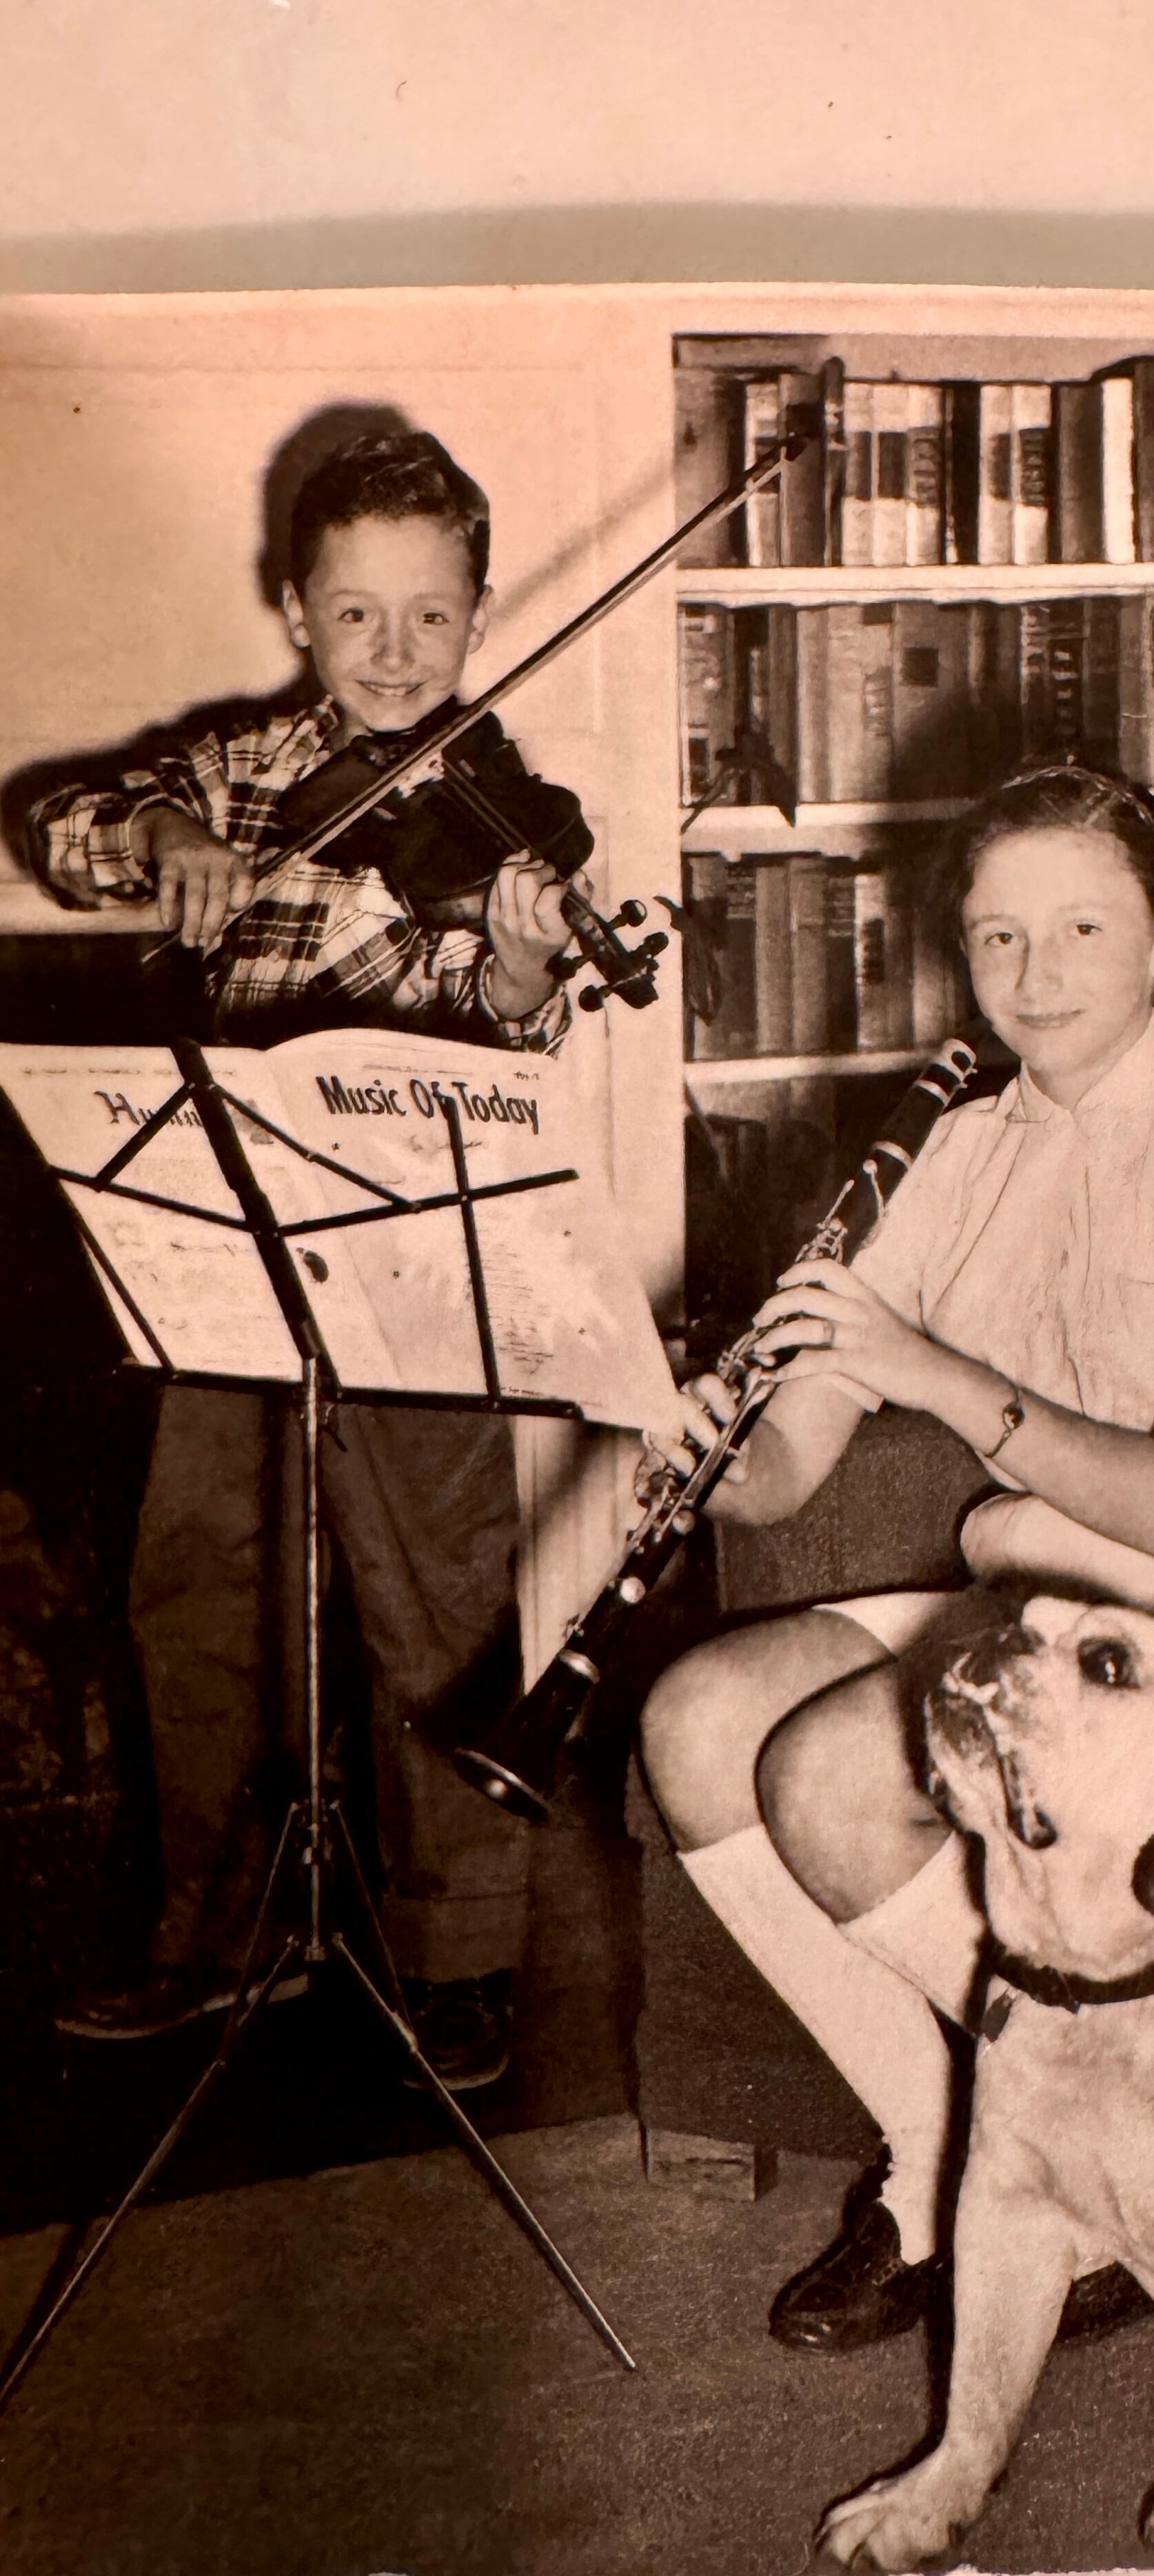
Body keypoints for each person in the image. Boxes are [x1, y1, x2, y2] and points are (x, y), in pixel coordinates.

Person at [640, 764, 1154, 2351]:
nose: (1035, 976)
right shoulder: (952, 1153)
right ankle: (950, 2150)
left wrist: (928, 1368)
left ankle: (1035, 2174)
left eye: (1081, 929)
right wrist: (690, 1446)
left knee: (833, 1770)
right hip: (1040, 1608)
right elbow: (786, 1471)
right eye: (997, 937)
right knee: (694, 1721)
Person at [30, 429, 586, 2087]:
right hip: (227, 1236)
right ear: (296, 611)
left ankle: (458, 1949)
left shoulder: (505, 810)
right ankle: (224, 1930)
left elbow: (515, 1015)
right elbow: (57, 827)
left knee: (435, 1596)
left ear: (480, 612)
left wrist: (519, 969)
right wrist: (159, 832)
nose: (396, 655)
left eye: (432, 616)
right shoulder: (240, 770)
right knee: (201, 1574)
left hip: (414, 1248)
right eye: (357, 616)